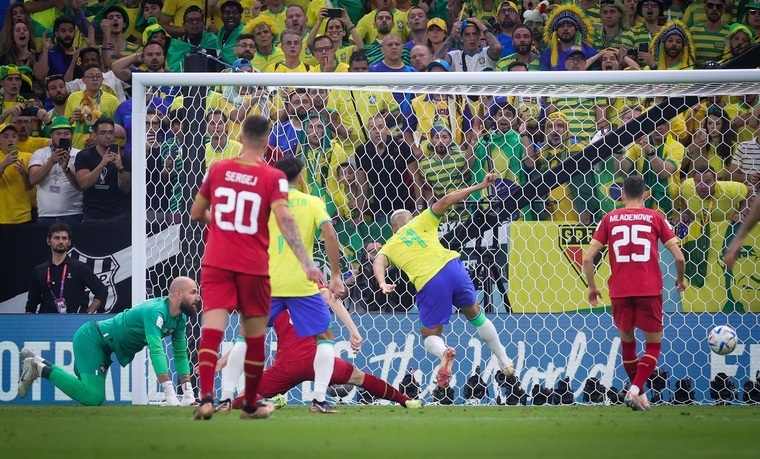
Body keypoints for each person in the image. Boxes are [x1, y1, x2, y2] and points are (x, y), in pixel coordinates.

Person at [190, 115, 322, 421]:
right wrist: (306, 262)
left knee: (212, 330)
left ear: (241, 135)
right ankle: (250, 404)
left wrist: (222, 226)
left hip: (216, 262)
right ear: (265, 142)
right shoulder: (272, 176)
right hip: (252, 265)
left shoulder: (218, 169)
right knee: (254, 336)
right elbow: (285, 220)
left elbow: (197, 212)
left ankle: (207, 399)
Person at [373, 173, 515, 393]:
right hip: (453, 267)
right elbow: (447, 199)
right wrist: (480, 185)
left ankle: (444, 353)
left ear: (392, 229)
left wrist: (382, 283)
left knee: (430, 335)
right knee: (477, 316)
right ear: (411, 219)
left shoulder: (390, 244)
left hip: (430, 280)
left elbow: (378, 262)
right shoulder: (422, 221)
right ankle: (505, 362)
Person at [583, 175, 686, 411]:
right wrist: (679, 279)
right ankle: (635, 390)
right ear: (646, 195)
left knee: (628, 343)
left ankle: (640, 394)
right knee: (653, 345)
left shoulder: (609, 219)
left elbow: (588, 258)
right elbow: (679, 257)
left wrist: (592, 286)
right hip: (648, 289)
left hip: (619, 290)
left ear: (621, 195)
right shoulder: (655, 217)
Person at [18, 276, 200, 406]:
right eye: (193, 292)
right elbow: (156, 349)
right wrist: (169, 392)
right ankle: (39, 368)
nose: (198, 298)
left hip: (104, 348)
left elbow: (181, 354)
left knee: (89, 392)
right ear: (178, 294)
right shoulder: (155, 311)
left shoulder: (180, 318)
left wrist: (188, 394)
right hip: (92, 340)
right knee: (92, 398)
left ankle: (38, 362)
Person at [264, 156, 346, 413]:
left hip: (267, 281)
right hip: (302, 281)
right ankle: (319, 399)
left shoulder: (265, 204)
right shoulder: (312, 202)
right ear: (300, 177)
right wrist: (335, 274)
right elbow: (330, 234)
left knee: (249, 335)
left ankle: (229, 396)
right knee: (325, 337)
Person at [219, 307, 422, 411]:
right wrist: (353, 330)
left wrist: (220, 363)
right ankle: (406, 401)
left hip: (287, 365)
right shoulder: (311, 292)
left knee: (243, 396)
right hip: (319, 361)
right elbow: (333, 300)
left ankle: (266, 401)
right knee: (361, 378)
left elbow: (247, 338)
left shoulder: (272, 302)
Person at [25, 223, 108, 314]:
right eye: (57, 238)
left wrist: (88, 314)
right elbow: (31, 304)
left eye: (64, 238)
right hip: (45, 322)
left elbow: (101, 291)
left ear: (69, 242)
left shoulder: (79, 268)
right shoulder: (39, 270)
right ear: (48, 241)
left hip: (71, 322)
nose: (61, 241)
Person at [28, 117, 83, 224]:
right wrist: (51, 162)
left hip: (73, 214)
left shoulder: (79, 154)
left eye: (66, 133)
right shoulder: (40, 153)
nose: (62, 137)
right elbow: (33, 179)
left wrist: (66, 169)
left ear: (72, 136)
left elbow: (81, 186)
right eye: (58, 134)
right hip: (45, 215)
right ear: (51, 135)